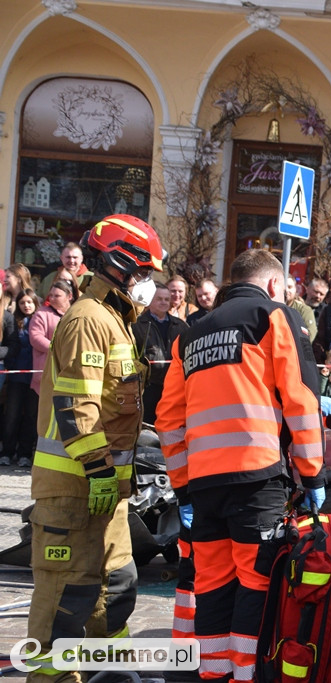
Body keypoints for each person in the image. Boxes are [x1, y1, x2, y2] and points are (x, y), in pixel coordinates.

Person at [157, 248, 325, 682]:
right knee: (256, 582)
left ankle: (213, 674)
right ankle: (247, 677)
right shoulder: (273, 317)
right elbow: (301, 400)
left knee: (211, 584)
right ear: (273, 285)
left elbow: (169, 420)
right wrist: (312, 475)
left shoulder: (190, 336)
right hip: (257, 476)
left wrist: (182, 486)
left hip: (204, 485)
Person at [26, 214, 164, 680]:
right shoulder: (88, 319)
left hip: (107, 496)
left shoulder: (114, 320)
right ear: (119, 264)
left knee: (117, 589)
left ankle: (113, 674)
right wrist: (100, 470)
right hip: (74, 490)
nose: (147, 283)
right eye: (143, 272)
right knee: (66, 606)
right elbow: (75, 405)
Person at [133, 282, 188, 425]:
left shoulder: (180, 326)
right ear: (150, 300)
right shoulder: (138, 325)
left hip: (173, 387)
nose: (163, 302)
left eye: (166, 299)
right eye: (159, 299)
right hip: (148, 388)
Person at [3, 290, 39, 468]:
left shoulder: (39, 320)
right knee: (12, 414)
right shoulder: (14, 321)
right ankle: (7, 452)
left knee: (31, 416)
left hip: (35, 376)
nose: (26, 306)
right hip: (17, 376)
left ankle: (25, 453)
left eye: (29, 302)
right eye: (23, 302)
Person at [28, 280, 75, 397]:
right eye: (51, 295)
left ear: (69, 296)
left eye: (57, 296)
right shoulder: (41, 314)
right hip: (46, 372)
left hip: (70, 373)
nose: (52, 298)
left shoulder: (76, 313)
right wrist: (55, 349)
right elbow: (35, 337)